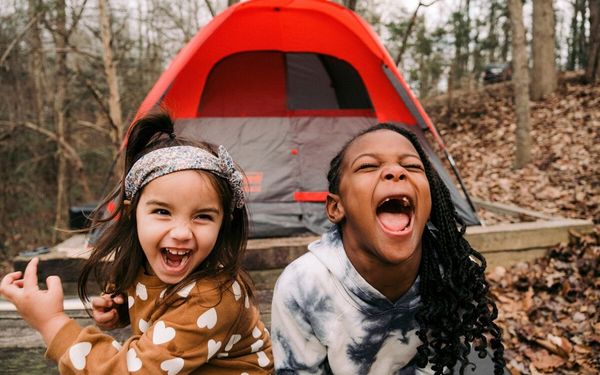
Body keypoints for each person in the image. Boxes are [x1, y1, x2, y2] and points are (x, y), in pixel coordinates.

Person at [0, 112, 273, 374]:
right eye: (162, 212)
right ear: (133, 213)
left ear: (222, 223)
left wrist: (51, 323)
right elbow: (160, 306)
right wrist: (121, 307)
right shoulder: (145, 263)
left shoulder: (211, 298)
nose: (181, 232)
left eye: (202, 216)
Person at [270, 123, 505, 374]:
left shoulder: (450, 269)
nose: (395, 171)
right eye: (368, 166)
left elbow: (441, 360)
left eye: (412, 166)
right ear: (336, 208)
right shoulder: (303, 285)